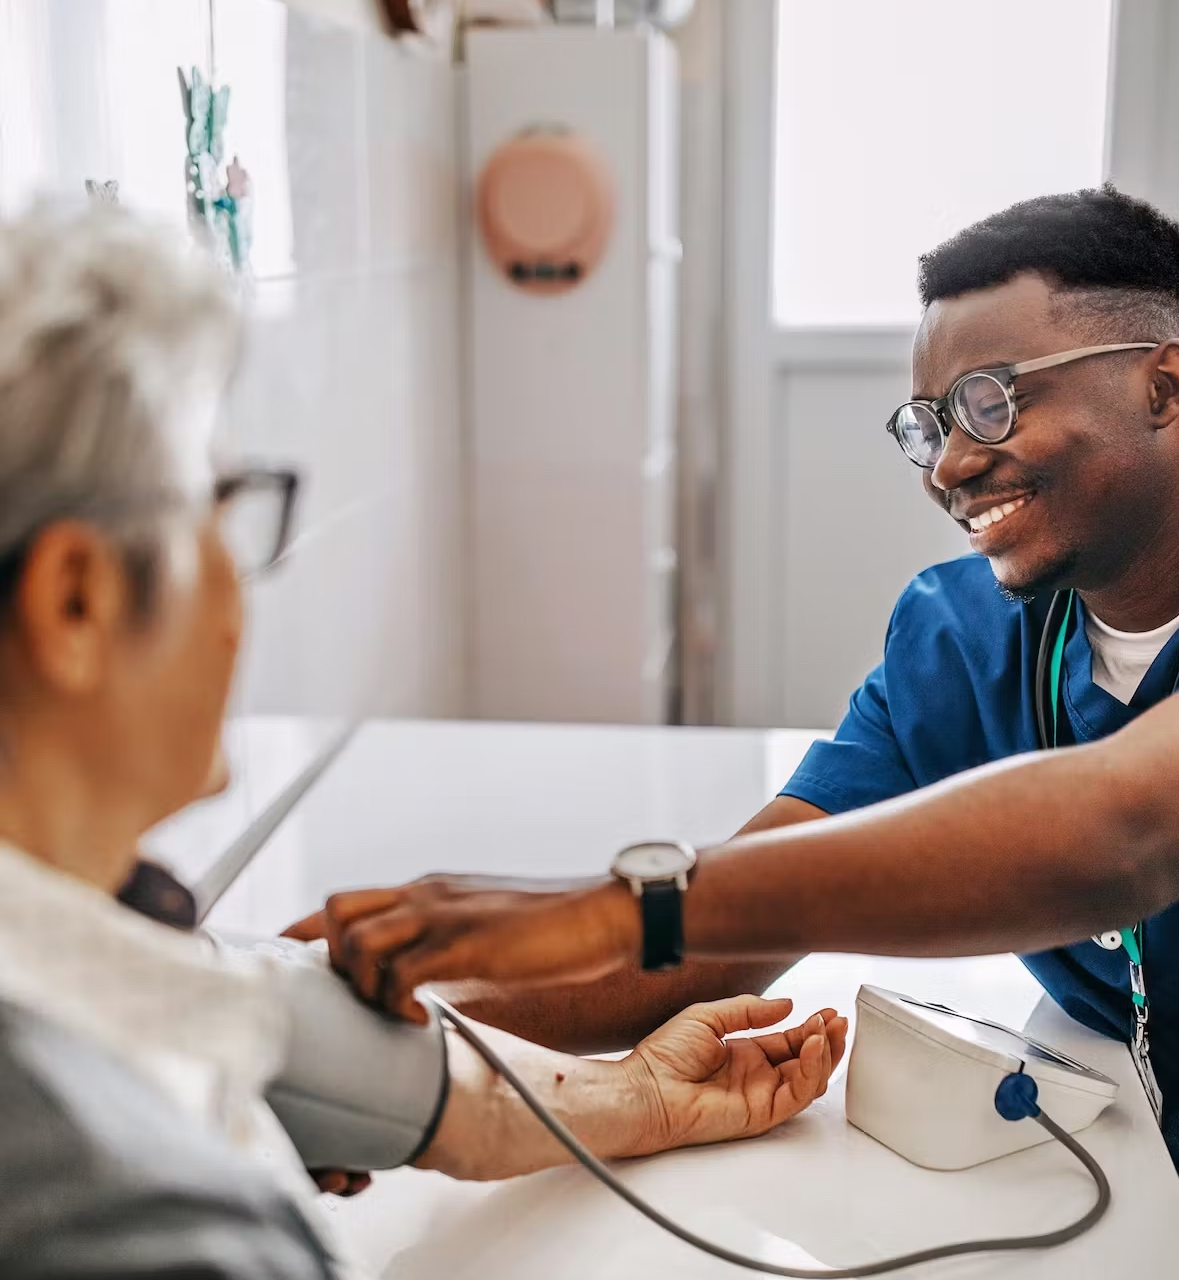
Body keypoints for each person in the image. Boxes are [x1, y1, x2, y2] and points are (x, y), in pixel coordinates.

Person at [294, 185, 1179, 1280]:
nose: (947, 466)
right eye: (930, 423)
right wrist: (394, 1034)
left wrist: (601, 905)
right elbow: (723, 936)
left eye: (991, 401)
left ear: (1161, 382)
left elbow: (1128, 828)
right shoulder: (959, 639)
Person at [0, 203, 847, 1280]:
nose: (237, 581)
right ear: (73, 600)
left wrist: (633, 1095)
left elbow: (292, 1025)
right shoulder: (134, 1224)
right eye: (217, 508)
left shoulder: (110, 938)